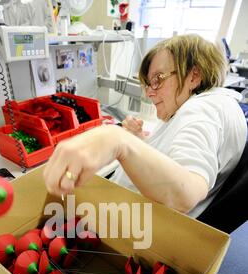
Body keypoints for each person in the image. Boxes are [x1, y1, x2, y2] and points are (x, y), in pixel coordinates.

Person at [43, 34, 247, 218]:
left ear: (194, 76)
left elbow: (186, 193)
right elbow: (175, 162)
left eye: (158, 79)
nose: (149, 93)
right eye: (148, 84)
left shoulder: (202, 110)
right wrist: (139, 143)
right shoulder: (219, 104)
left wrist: (118, 140)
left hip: (133, 227)